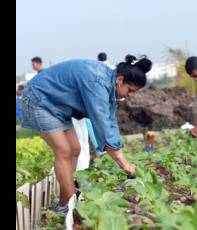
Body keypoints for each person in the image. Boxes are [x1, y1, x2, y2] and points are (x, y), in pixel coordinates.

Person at [20, 54, 152, 215]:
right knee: (63, 151)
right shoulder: (97, 82)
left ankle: (63, 203)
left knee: (75, 149)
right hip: (39, 99)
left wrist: (121, 156)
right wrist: (123, 163)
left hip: (58, 106)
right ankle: (70, 206)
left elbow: (110, 120)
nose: (130, 94)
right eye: (130, 90)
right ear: (120, 79)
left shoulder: (109, 84)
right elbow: (101, 122)